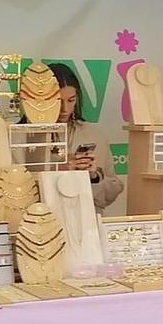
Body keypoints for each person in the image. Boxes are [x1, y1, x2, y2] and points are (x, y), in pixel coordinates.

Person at [48, 62, 123, 212]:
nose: (65, 109)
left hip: (86, 221)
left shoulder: (94, 135)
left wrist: (93, 177)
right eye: (57, 101)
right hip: (39, 224)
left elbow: (113, 190)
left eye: (71, 100)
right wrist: (55, 169)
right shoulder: (20, 137)